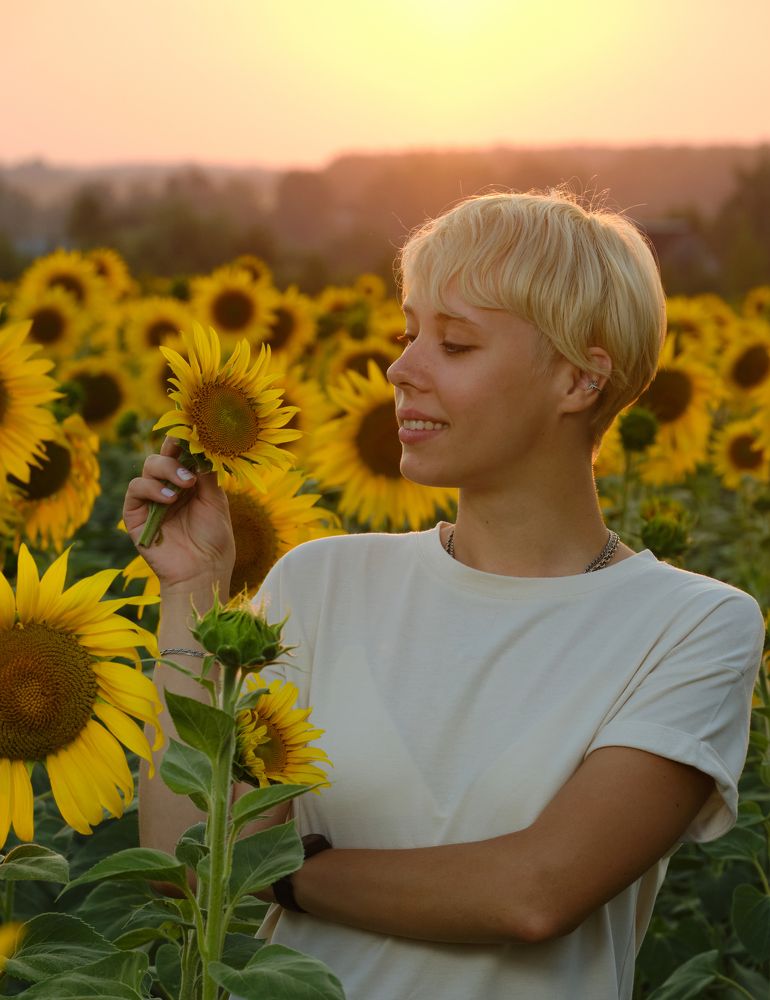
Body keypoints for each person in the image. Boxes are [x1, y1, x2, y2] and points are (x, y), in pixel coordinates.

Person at [123, 187, 765, 1000]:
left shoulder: (690, 625)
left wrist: (277, 874)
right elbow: (187, 867)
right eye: (409, 332)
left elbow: (532, 894)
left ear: (578, 380)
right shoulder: (322, 581)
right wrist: (189, 593)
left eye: (455, 345)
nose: (400, 369)